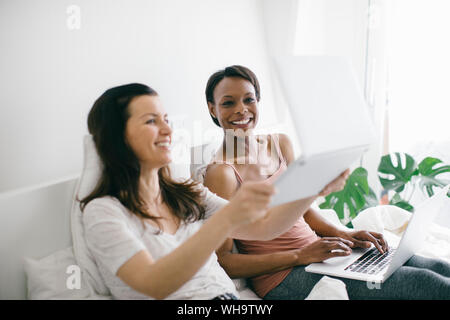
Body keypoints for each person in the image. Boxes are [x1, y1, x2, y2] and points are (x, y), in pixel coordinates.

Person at [79, 83, 348, 300]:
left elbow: (264, 228)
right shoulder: (103, 212)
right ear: (117, 138)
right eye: (151, 121)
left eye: (166, 119)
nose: (167, 129)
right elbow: (154, 284)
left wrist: (312, 190)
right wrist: (224, 221)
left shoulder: (187, 193)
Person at [202, 65, 450, 300]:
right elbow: (225, 260)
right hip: (284, 277)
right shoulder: (222, 173)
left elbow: (301, 210)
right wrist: (300, 256)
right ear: (213, 109)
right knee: (429, 284)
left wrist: (346, 235)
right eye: (228, 103)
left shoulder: (279, 144)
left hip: (322, 254)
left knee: (437, 267)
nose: (241, 109)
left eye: (249, 99)